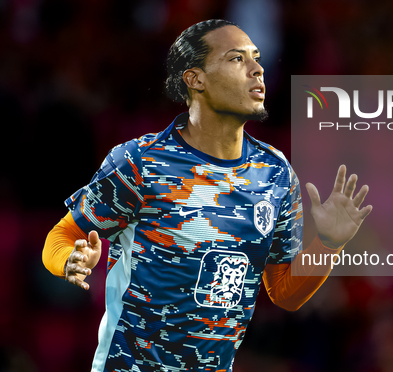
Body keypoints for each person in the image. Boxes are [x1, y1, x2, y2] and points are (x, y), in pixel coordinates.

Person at [42, 19, 372, 372]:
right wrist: (70, 259)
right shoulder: (140, 161)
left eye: (257, 58)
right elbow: (61, 237)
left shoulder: (276, 174)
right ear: (195, 79)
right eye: (236, 59)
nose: (257, 69)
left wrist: (328, 244)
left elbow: (286, 293)